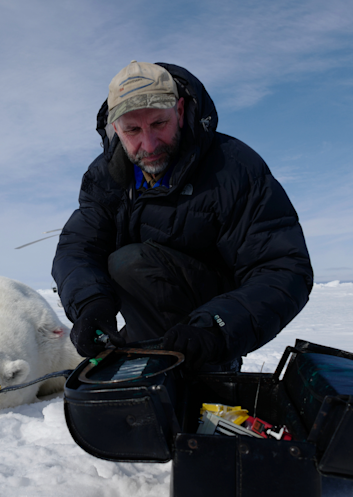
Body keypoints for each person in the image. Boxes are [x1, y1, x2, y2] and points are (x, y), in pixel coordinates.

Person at [52, 61, 313, 373]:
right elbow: (78, 247)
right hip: (151, 312)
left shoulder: (234, 168)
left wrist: (216, 327)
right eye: (133, 130)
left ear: (180, 109)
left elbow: (283, 267)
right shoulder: (105, 176)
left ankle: (200, 368)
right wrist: (90, 305)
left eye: (159, 124)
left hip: (212, 320)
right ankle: (144, 348)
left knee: (131, 262)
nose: (148, 145)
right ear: (115, 129)